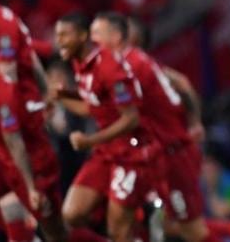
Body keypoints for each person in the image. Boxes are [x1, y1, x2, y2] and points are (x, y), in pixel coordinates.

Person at [89, 11, 212, 242]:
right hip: (150, 155)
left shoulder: (133, 67)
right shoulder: (140, 63)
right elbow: (183, 84)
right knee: (136, 221)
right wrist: (195, 122)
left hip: (171, 153)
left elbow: (108, 109)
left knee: (189, 229)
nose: (94, 39)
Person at [53, 13, 159, 242]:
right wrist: (61, 97)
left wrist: (90, 141)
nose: (58, 40)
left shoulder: (109, 67)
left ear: (81, 37)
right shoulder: (80, 64)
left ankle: (140, 223)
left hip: (132, 152)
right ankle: (138, 227)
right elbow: (92, 107)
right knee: (72, 214)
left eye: (64, 35)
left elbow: (132, 119)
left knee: (118, 232)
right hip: (106, 151)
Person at [0, 5, 67, 242]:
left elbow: (8, 79)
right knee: (9, 202)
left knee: (53, 228)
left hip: (24, 135)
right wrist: (47, 91)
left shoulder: (3, 23)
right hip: (11, 136)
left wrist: (46, 94)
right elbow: (32, 55)